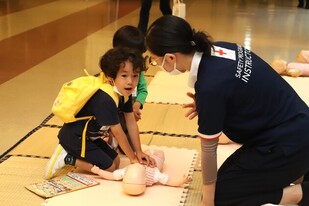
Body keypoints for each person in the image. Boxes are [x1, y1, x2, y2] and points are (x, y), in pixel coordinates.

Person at [145, 15, 309, 206]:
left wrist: (208, 201)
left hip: (290, 143)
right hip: (295, 124)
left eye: (155, 60)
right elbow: (239, 88)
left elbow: (208, 150)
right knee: (224, 181)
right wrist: (210, 107)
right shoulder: (219, 48)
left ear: (171, 57)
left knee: (222, 197)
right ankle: (297, 172)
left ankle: (302, 192)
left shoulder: (209, 87)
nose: (156, 65)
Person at [45, 47, 155, 180]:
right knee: (109, 167)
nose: (130, 81)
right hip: (76, 138)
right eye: (124, 75)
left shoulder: (124, 93)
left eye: (135, 75)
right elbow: (118, 132)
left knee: (116, 162)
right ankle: (67, 158)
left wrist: (138, 151)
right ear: (111, 77)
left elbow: (131, 122)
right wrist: (133, 160)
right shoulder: (106, 99)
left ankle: (74, 155)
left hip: (91, 138)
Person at [112, 25, 148, 152]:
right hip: (113, 106)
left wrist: (136, 105)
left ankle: (122, 141)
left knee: (130, 145)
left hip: (129, 106)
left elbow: (143, 90)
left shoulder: (138, 70)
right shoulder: (113, 68)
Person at [91, 149, 192, 195]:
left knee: (145, 152)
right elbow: (169, 181)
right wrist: (181, 181)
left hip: (140, 158)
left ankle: (147, 152)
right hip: (156, 161)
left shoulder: (126, 172)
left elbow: (111, 176)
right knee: (160, 153)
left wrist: (99, 171)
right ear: (144, 179)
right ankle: (153, 153)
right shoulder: (153, 175)